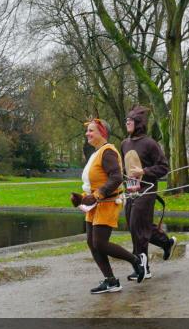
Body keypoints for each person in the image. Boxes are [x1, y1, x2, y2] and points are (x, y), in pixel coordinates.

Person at [72, 119, 146, 294]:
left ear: (102, 133)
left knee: (100, 243)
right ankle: (111, 281)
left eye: (91, 131)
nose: (87, 134)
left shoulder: (108, 152)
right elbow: (94, 183)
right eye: (87, 131)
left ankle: (136, 260)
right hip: (95, 205)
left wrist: (97, 195)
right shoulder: (95, 153)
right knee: (92, 243)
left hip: (108, 203)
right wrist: (81, 198)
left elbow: (116, 178)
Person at [120, 105, 177, 281]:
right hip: (130, 191)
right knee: (135, 225)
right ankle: (166, 243)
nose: (128, 122)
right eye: (127, 119)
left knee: (138, 224)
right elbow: (124, 169)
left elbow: (163, 167)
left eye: (131, 120)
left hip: (147, 190)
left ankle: (141, 266)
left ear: (139, 123)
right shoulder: (124, 144)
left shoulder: (150, 144)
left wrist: (143, 172)